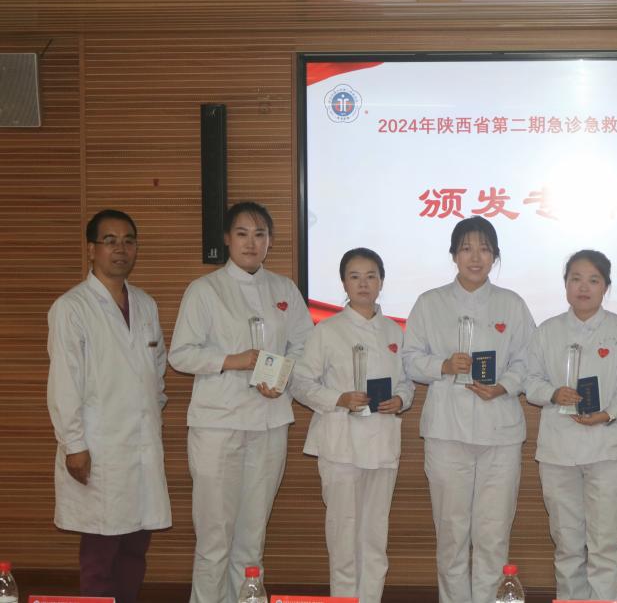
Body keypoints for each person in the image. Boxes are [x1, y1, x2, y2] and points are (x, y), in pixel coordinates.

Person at [169, 201, 313, 603]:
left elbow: (306, 347)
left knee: (252, 536)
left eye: (260, 234)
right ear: (227, 240)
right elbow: (181, 354)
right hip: (218, 425)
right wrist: (234, 360)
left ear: (270, 241)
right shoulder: (205, 290)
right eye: (242, 234)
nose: (252, 243)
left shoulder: (284, 289)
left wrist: (281, 378)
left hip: (269, 422)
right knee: (215, 537)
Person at [400, 216, 535, 603]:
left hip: (500, 433)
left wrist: (504, 385)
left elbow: (529, 361)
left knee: (494, 533)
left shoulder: (512, 304)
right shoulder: (430, 303)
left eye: (484, 249)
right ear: (454, 255)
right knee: (452, 533)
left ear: (495, 256)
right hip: (447, 432)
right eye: (466, 248)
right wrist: (442, 365)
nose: (476, 257)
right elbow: (409, 359)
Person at [46, 209, 171, 603]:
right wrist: (74, 445)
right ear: (91, 249)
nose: (121, 249)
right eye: (110, 241)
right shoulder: (72, 308)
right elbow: (64, 383)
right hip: (98, 447)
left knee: (135, 547)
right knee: (100, 552)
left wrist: (150, 410)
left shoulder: (146, 304)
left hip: (141, 444)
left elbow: (157, 371)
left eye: (129, 241)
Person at [291, 248, 414, 603]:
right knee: (343, 536)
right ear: (344, 283)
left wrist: (401, 400)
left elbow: (406, 382)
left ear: (381, 282)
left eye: (371, 276)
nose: (363, 283)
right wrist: (339, 398)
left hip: (382, 444)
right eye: (355, 276)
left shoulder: (394, 331)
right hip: (340, 445)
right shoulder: (327, 331)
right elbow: (301, 382)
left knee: (375, 537)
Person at [525, 250, 617, 600]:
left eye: (593, 280)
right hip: (558, 452)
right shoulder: (547, 331)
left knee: (605, 543)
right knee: (566, 543)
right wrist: (553, 393)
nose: (583, 287)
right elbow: (530, 382)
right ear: (565, 284)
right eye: (575, 279)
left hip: (608, 450)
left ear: (606, 287)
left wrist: (608, 413)